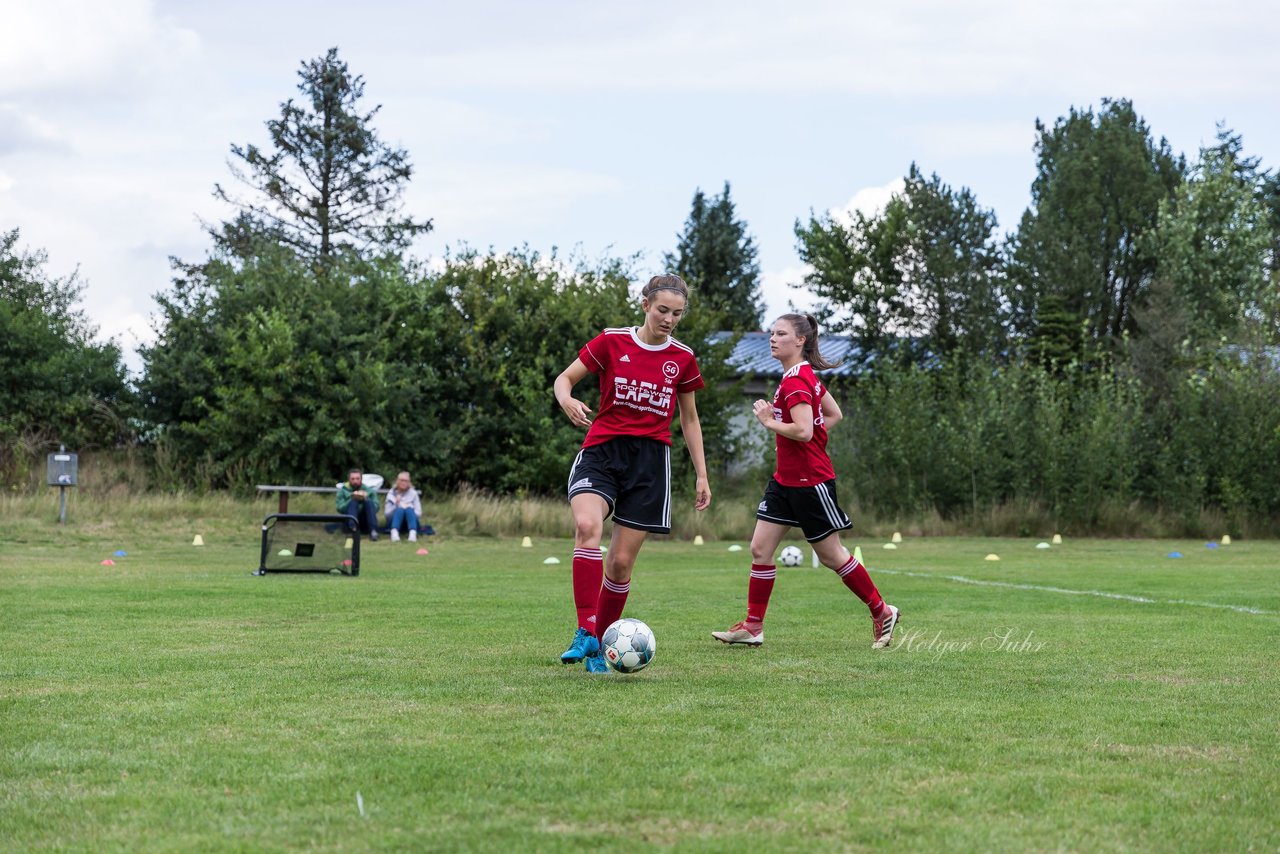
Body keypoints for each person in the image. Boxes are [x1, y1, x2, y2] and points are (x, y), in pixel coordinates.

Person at [711, 314, 900, 650]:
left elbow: (804, 430)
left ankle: (882, 611)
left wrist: (771, 423)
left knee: (832, 556)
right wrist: (791, 431)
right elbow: (832, 416)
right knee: (760, 549)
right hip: (784, 481)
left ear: (800, 340)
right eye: (771, 333)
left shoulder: (797, 381)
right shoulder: (800, 376)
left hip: (810, 482)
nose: (772, 338)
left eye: (780, 333)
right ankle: (753, 626)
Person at [554, 274, 712, 673]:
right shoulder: (612, 341)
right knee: (587, 526)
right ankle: (585, 630)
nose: (669, 319)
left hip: (650, 463)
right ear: (645, 305)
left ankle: (601, 649)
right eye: (662, 310)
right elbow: (564, 379)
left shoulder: (683, 358)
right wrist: (567, 398)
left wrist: (701, 475)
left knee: (621, 564)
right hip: (602, 452)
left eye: (677, 313)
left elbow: (690, 420)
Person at [336, 468, 379, 541]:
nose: (355, 481)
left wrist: (365, 498)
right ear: (349, 479)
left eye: (357, 479)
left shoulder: (370, 491)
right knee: (353, 502)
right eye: (352, 479)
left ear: (361, 479)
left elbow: (377, 507)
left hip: (365, 520)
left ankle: (373, 531)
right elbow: (339, 508)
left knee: (369, 502)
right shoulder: (342, 491)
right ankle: (353, 529)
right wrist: (352, 498)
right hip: (348, 520)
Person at [383, 471, 423, 543]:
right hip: (394, 520)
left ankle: (412, 534)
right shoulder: (391, 493)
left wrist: (409, 509)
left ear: (409, 482)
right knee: (399, 509)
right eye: (401, 480)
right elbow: (387, 514)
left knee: (409, 509)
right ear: (397, 481)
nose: (403, 483)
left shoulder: (413, 493)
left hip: (410, 520)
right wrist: (396, 504)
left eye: (406, 481)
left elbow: (419, 513)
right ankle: (394, 533)